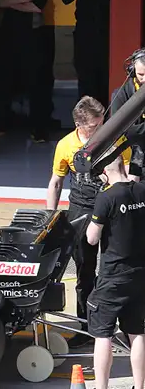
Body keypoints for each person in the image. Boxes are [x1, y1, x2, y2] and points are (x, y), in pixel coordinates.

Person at [46, 96, 133, 347]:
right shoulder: (66, 145)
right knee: (84, 273)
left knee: (117, 271)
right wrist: (50, 217)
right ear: (79, 124)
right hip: (81, 211)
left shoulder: (114, 140)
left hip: (113, 209)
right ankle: (85, 327)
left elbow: (129, 176)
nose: (101, 130)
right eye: (96, 126)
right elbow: (56, 182)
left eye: (102, 123)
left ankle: (126, 327)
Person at [84, 156, 145, 389]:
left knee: (103, 334)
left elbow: (91, 238)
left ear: (105, 173)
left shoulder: (106, 197)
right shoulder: (142, 190)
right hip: (140, 273)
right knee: (138, 333)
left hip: (113, 276)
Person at [0, 0, 55, 142]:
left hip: (33, 33)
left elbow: (38, 5)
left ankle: (39, 128)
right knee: (1, 78)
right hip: (4, 33)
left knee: (37, 80)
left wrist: (9, 2)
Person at [62, 0, 110, 108]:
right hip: (86, 34)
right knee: (87, 81)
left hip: (109, 33)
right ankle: (88, 121)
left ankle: (108, 122)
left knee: (105, 81)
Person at [110, 48, 145, 178]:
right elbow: (120, 130)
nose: (144, 79)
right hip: (133, 153)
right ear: (132, 71)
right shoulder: (120, 95)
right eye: (141, 74)